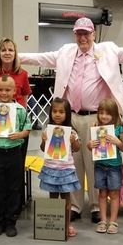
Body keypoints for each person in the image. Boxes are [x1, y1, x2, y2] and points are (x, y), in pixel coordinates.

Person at [0, 17, 123, 223]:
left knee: (97, 162)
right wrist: (11, 57)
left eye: (86, 33)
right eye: (79, 33)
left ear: (93, 34)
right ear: (74, 35)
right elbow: (41, 58)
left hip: (98, 118)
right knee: (71, 163)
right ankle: (74, 206)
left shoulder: (108, 49)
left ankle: (95, 206)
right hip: (69, 117)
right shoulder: (65, 51)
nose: (82, 37)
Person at [0, 37, 32, 207]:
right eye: (4, 50)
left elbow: (24, 100)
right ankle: (0, 209)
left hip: (16, 130)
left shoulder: (23, 74)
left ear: (15, 53)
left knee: (17, 169)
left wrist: (19, 123)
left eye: (10, 50)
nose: (7, 53)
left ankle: (16, 207)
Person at [0, 75, 31, 237]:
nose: (4, 93)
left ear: (15, 91)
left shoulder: (21, 110)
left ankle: (11, 222)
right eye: (0, 89)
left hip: (14, 153)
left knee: (14, 188)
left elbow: (27, 129)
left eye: (8, 90)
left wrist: (20, 134)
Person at [38, 97, 81, 237]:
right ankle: (55, 224)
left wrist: (73, 141)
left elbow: (77, 148)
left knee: (66, 198)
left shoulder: (72, 132)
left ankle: (67, 224)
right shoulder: (47, 130)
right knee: (53, 198)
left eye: (61, 112)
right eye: (55, 111)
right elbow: (43, 149)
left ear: (67, 114)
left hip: (66, 170)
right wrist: (44, 140)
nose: (57, 114)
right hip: (51, 169)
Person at [87, 98, 123, 234]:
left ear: (114, 115)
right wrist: (89, 145)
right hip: (99, 166)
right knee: (102, 193)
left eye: (108, 113)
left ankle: (113, 221)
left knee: (114, 193)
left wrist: (118, 142)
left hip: (114, 166)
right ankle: (103, 220)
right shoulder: (95, 127)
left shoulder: (119, 128)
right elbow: (90, 146)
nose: (104, 116)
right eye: (101, 113)